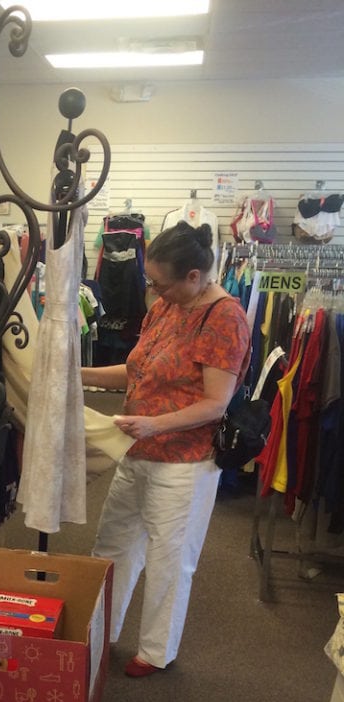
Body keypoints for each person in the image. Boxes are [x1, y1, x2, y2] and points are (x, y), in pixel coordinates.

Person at [81, 221, 250, 677]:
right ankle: (101, 633)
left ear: (194, 276)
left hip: (184, 463)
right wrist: (78, 373)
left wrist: (154, 424)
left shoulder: (225, 319)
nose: (153, 290)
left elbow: (215, 403)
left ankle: (155, 652)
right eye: (150, 281)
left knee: (169, 561)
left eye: (160, 283)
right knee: (113, 545)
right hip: (137, 451)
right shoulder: (166, 307)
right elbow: (136, 371)